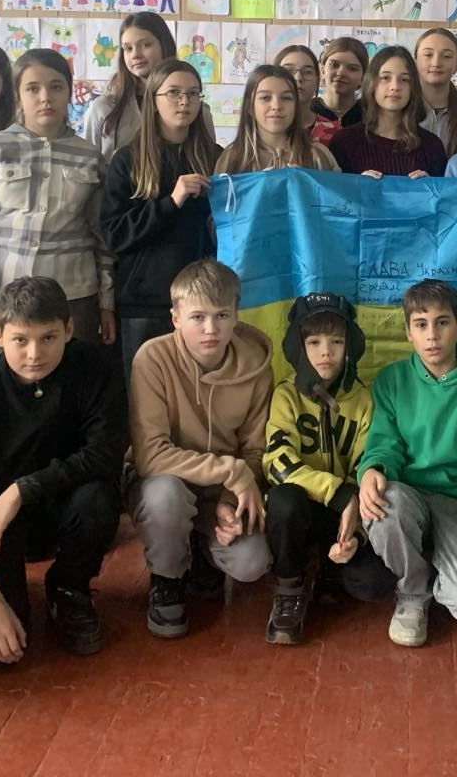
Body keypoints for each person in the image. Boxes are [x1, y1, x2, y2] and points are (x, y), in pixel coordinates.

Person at [0, 277, 126, 668]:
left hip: (62, 508)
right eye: (20, 340)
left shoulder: (95, 368)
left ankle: (68, 587)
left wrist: (22, 489)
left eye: (48, 338)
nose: (35, 354)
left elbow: (105, 454)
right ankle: (5, 588)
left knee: (98, 499)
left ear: (69, 329)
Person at [358, 280, 457, 646]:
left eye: (442, 322)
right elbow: (383, 443)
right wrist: (372, 470)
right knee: (382, 504)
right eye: (421, 324)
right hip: (409, 494)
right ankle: (413, 593)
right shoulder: (392, 380)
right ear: (408, 332)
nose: (432, 335)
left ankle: (441, 567)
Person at [128, 259, 273, 639]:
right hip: (165, 481)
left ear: (236, 314)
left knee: (252, 562)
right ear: (175, 318)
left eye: (221, 315)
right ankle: (167, 580)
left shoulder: (256, 365)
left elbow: (255, 450)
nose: (211, 328)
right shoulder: (152, 359)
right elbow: (150, 456)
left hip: (219, 490)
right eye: (197, 317)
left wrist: (227, 498)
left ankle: (201, 546)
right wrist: (230, 470)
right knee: (165, 497)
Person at [0, 48, 116, 348]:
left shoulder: (90, 156)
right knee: (12, 375)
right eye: (32, 88)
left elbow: (103, 236)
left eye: (56, 87)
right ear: (17, 94)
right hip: (7, 295)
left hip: (75, 296)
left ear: (69, 92)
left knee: (77, 372)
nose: (45, 97)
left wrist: (106, 302)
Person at [262, 293, 395, 645]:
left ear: (350, 346)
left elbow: (368, 464)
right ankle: (289, 588)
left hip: (345, 516)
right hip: (302, 510)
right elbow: (277, 462)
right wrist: (337, 492)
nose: (326, 352)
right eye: (314, 342)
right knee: (283, 499)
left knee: (374, 583)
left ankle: (327, 567)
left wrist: (356, 534)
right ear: (298, 347)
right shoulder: (286, 396)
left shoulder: (364, 400)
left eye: (336, 341)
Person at [99, 58, 219, 374]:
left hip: (203, 301)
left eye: (193, 94)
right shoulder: (128, 160)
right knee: (146, 393)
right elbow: (114, 234)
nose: (185, 101)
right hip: (145, 303)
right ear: (153, 101)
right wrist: (171, 202)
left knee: (199, 392)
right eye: (174, 93)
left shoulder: (215, 157)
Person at [328, 46, 448, 178]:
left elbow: (444, 191)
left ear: (413, 87)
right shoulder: (344, 142)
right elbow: (331, 189)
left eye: (404, 79)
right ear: (372, 83)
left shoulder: (432, 146)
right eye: (385, 78)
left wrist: (430, 185)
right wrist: (356, 185)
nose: (395, 87)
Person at [81, 12, 176, 160]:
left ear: (164, 45)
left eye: (145, 45)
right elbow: (87, 166)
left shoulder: (191, 105)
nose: (135, 55)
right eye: (128, 48)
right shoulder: (104, 107)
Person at [215, 64, 339, 174]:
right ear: (250, 107)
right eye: (265, 98)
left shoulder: (318, 156)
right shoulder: (232, 158)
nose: (277, 106)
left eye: (286, 98)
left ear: (296, 106)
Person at [415, 27, 457, 157]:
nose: (436, 63)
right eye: (428, 55)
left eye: (446, 56)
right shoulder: (400, 109)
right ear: (415, 61)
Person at [275, 44, 340, 144]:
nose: (298, 78)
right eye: (288, 71)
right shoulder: (257, 131)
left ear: (317, 81)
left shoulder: (336, 135)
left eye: (307, 72)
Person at [313, 36, 366, 132]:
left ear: (363, 77)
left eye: (352, 68)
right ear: (322, 70)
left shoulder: (370, 116)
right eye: (334, 65)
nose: (341, 73)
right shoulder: (307, 111)